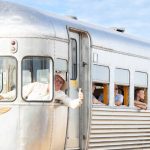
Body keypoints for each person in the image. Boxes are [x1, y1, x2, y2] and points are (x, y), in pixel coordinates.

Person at [0, 73, 84, 109]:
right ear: (51, 80)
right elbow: (19, 92)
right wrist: (3, 96)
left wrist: (79, 100)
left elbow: (70, 103)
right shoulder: (36, 85)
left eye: (61, 82)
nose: (58, 83)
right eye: (56, 80)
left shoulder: (60, 94)